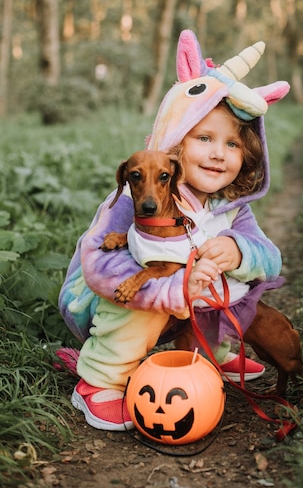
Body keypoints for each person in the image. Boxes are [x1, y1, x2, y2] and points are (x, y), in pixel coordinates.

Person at [58, 29, 290, 431]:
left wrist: (238, 252)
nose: (219, 152)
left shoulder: (230, 209)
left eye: (233, 145)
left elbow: (269, 259)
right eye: (204, 137)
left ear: (248, 155)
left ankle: (208, 353)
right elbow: (97, 265)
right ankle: (100, 380)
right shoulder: (138, 195)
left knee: (235, 289)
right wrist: (170, 289)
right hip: (114, 302)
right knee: (148, 300)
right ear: (175, 143)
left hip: (183, 303)